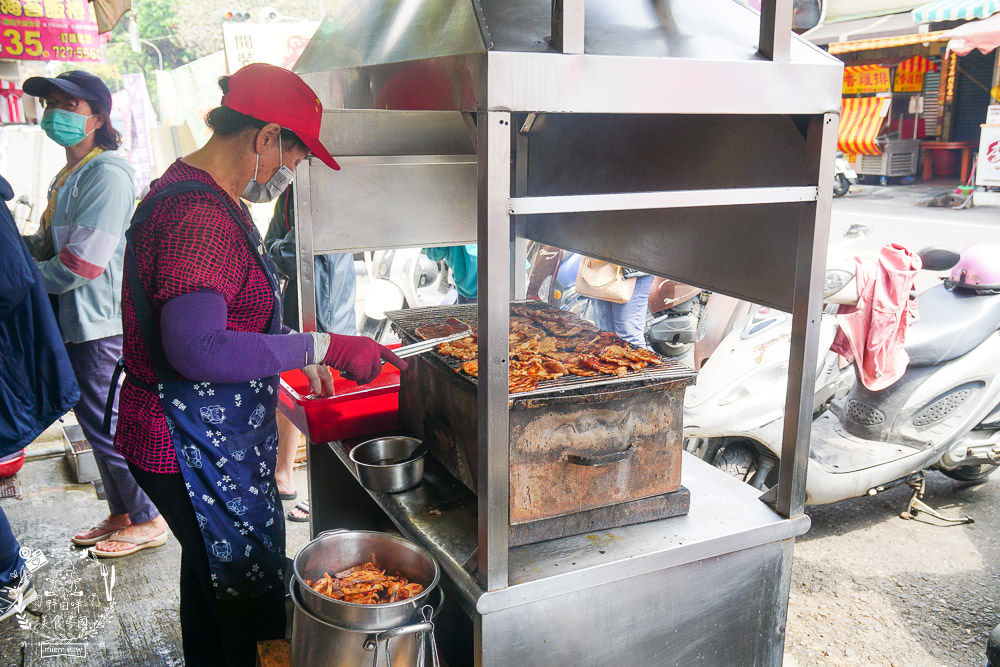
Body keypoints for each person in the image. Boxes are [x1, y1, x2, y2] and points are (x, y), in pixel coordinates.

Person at [113, 63, 405, 664]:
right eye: (291, 157)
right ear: (266, 135)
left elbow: (233, 322)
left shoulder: (213, 195)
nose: (289, 174)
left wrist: (289, 359)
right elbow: (197, 348)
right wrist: (317, 346)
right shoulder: (195, 218)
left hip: (197, 432)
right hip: (183, 441)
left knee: (211, 575)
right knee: (246, 593)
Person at [20, 70, 168, 557]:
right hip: (74, 321)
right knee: (93, 424)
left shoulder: (107, 172)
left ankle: (148, 519)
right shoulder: (70, 174)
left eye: (69, 105)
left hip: (99, 323)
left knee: (110, 426)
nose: (55, 113)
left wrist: (22, 278)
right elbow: (51, 244)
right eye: (50, 104)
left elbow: (82, 263)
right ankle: (124, 511)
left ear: (98, 117)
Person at [0, 172, 80, 622]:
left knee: (104, 434)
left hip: (84, 326)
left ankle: (10, 578)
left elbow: (13, 280)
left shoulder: (105, 174)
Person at [263, 183, 357, 513]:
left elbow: (288, 254)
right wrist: (277, 249)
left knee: (328, 399)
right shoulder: (290, 192)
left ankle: (328, 492)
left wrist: (275, 250)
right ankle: (284, 473)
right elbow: (274, 246)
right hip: (297, 307)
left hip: (328, 309)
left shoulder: (325, 191)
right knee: (288, 394)